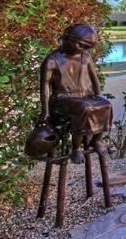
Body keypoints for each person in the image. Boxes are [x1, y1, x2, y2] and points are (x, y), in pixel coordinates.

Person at [39, 24, 112, 164]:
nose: (83, 50)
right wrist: (45, 111)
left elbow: (94, 80)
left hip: (84, 96)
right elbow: (45, 87)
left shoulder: (85, 56)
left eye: (86, 47)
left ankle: (97, 140)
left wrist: (98, 97)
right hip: (62, 100)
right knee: (83, 108)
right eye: (81, 45)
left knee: (106, 104)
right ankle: (76, 148)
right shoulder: (52, 60)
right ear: (68, 39)